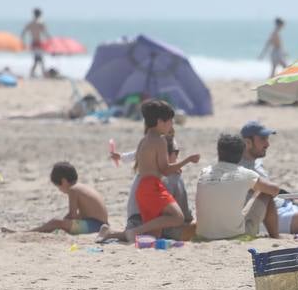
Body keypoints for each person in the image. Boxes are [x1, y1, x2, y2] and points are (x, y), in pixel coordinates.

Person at [124, 100, 199, 243]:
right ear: (160, 122)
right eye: (170, 121)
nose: (171, 125)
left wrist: (174, 167)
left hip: (143, 187)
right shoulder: (160, 141)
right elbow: (165, 169)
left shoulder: (144, 140)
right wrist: (188, 160)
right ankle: (135, 231)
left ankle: (111, 234)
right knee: (178, 217)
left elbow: (152, 166)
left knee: (154, 233)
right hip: (152, 187)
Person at [238, 121, 298, 237]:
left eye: (267, 139)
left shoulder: (255, 161)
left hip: (284, 206)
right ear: (247, 142)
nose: (267, 144)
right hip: (270, 218)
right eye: (263, 139)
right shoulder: (240, 169)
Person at [196, 133, 280, 241]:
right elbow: (275, 190)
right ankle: (276, 237)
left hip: (204, 234)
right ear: (242, 153)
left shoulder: (204, 172)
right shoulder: (245, 174)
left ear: (219, 152)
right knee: (266, 194)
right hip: (234, 235)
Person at [26, 162, 111, 235]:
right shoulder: (82, 187)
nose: (60, 190)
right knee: (61, 222)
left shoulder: (73, 190)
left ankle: (31, 232)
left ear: (63, 181)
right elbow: (82, 214)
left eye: (58, 186)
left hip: (95, 226)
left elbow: (72, 215)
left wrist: (61, 222)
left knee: (55, 222)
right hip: (102, 224)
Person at [21, 8, 50, 78]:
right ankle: (40, 73)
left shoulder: (30, 23)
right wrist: (51, 41)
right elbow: (46, 34)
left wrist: (23, 42)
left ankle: (36, 73)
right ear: (40, 14)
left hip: (33, 42)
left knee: (38, 59)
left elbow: (23, 33)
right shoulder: (41, 23)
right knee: (39, 59)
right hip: (39, 43)